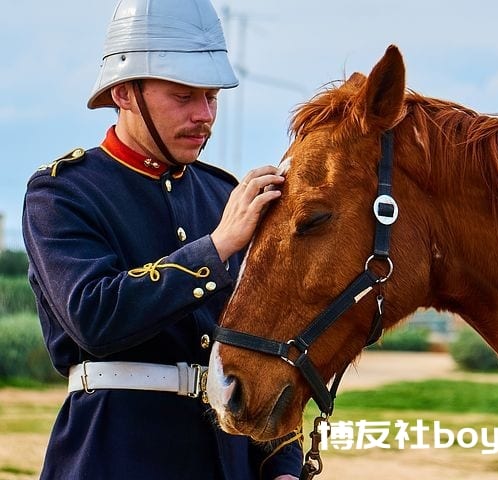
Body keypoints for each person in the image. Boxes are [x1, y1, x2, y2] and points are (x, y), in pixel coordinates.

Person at [21, 0, 301, 478]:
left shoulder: (221, 193)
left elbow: (262, 341)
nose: (205, 115)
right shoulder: (62, 191)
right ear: (125, 92)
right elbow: (93, 317)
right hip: (114, 452)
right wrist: (217, 247)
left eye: (211, 96)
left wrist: (281, 464)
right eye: (184, 96)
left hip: (226, 459)